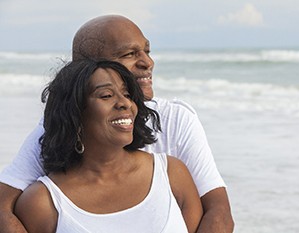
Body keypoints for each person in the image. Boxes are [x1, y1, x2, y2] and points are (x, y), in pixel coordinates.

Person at [0, 15, 234, 233]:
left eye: (147, 50)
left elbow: (219, 213)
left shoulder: (175, 125)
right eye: (129, 54)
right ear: (86, 70)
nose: (147, 62)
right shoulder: (54, 135)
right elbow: (2, 206)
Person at [14, 59, 203, 233]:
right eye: (106, 95)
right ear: (75, 113)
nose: (124, 103)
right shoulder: (44, 203)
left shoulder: (171, 174)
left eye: (127, 94)